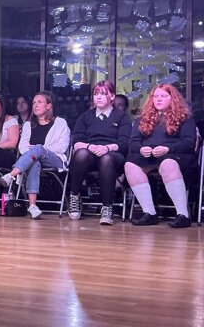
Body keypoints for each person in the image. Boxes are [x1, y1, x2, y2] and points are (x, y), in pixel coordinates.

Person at [124, 84, 197, 228]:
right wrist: (141, 149)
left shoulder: (185, 118)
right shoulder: (142, 118)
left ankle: (183, 215)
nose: (158, 99)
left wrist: (168, 149)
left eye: (163, 96)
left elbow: (189, 143)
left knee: (167, 163)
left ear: (172, 99)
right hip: (149, 156)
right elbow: (133, 142)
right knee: (130, 164)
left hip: (177, 155)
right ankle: (149, 213)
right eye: (156, 96)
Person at [65, 81, 131, 225]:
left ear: (112, 96)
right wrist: (89, 146)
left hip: (113, 154)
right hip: (90, 151)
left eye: (103, 93)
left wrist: (107, 148)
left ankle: (107, 207)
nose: (98, 97)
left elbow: (124, 143)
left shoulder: (121, 117)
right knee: (81, 154)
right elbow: (76, 141)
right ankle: (74, 196)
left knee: (106, 159)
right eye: (95, 94)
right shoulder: (85, 116)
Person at [0, 91, 70, 219]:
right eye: (34, 103)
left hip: (55, 159)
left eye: (40, 102)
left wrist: (41, 149)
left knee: (38, 149)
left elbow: (62, 146)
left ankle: (11, 175)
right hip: (33, 159)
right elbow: (22, 147)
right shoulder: (28, 125)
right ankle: (32, 206)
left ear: (49, 105)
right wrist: (36, 152)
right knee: (34, 161)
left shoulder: (60, 123)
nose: (35, 105)